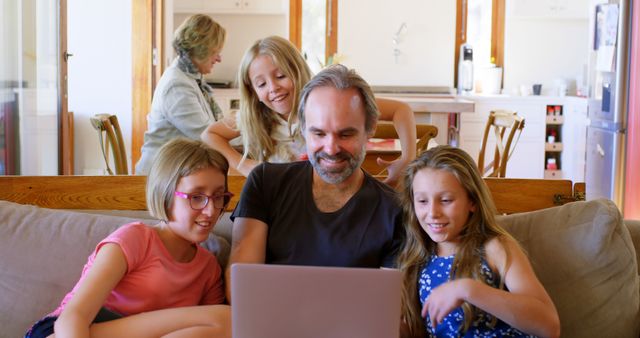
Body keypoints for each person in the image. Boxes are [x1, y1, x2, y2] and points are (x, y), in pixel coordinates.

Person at [226, 64, 404, 300]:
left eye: (346, 134)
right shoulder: (265, 183)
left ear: (370, 129)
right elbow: (240, 286)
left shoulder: (395, 211)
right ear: (303, 128)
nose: (331, 149)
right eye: (318, 133)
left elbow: (388, 309)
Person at [25, 138, 232, 338]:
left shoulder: (209, 268)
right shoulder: (134, 239)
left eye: (218, 196)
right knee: (226, 318)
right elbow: (72, 317)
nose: (211, 210)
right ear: (165, 195)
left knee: (225, 325)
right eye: (197, 197)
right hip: (68, 330)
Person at [201, 35, 416, 186]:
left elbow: (401, 110)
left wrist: (408, 159)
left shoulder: (325, 102)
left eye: (280, 76)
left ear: (298, 70)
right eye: (261, 84)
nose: (273, 88)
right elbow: (210, 134)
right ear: (252, 91)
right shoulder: (255, 118)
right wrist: (243, 164)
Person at [396, 145, 561, 338]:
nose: (433, 212)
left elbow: (549, 326)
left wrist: (468, 289)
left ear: (472, 201)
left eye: (446, 200)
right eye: (422, 201)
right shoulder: (415, 260)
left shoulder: (494, 247)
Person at [135, 14, 226, 175]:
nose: (219, 58)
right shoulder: (176, 85)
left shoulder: (189, 78)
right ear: (201, 50)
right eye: (215, 52)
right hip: (160, 176)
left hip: (175, 167)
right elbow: (206, 135)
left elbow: (213, 128)